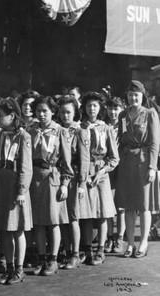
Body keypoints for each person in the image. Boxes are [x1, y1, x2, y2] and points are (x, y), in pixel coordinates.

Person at [27, 96, 73, 276]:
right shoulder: (30, 131)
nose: (41, 114)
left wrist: (64, 183)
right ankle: (41, 258)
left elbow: (66, 162)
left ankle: (53, 259)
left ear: (53, 112)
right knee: (38, 222)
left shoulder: (60, 131)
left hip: (52, 177)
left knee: (53, 221)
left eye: (45, 110)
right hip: (34, 178)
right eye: (38, 111)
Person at [116, 80, 160, 258]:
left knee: (143, 206)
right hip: (127, 163)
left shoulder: (150, 114)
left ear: (142, 96)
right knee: (128, 206)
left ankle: (143, 243)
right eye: (130, 95)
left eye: (137, 95)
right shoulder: (123, 115)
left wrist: (152, 166)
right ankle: (130, 244)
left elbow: (155, 143)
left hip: (143, 163)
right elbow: (121, 139)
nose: (133, 98)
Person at [0, 98, 33, 285]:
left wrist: (22, 190)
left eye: (1, 116)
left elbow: (26, 166)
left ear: (12, 116)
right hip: (1, 184)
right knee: (5, 230)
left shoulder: (24, 136)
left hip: (16, 186)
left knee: (17, 230)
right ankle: (8, 268)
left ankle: (19, 269)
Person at [78, 92, 119, 265]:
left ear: (100, 108)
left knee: (102, 213)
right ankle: (87, 249)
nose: (91, 109)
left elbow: (114, 158)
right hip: (84, 173)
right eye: (88, 106)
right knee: (86, 214)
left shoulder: (106, 129)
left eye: (94, 105)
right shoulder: (80, 128)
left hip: (101, 173)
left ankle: (100, 249)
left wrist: (101, 172)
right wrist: (84, 174)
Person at [57, 96, 87, 270]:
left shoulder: (80, 131)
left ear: (75, 113)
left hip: (75, 176)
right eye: (62, 112)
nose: (65, 115)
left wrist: (82, 183)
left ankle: (75, 254)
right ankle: (67, 252)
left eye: (68, 112)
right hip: (59, 176)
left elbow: (84, 159)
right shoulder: (58, 130)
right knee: (63, 217)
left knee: (73, 216)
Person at [104, 97, 126, 254]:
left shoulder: (126, 125)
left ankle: (120, 237)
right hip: (108, 167)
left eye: (116, 109)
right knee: (108, 203)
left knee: (121, 204)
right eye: (111, 108)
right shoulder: (103, 126)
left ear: (122, 109)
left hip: (123, 167)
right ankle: (110, 237)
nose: (113, 112)